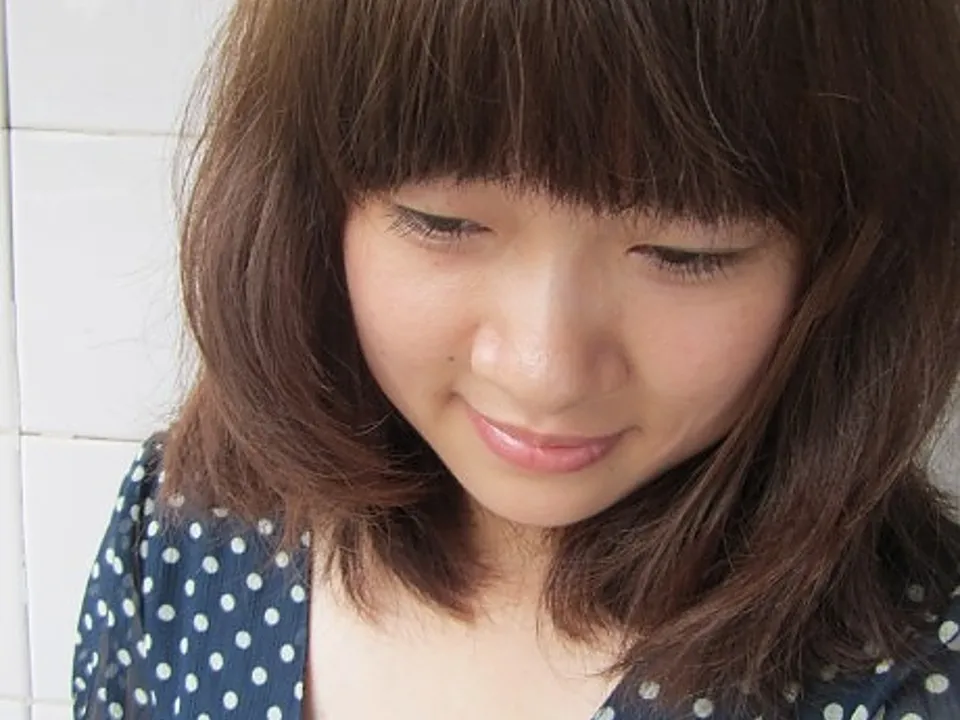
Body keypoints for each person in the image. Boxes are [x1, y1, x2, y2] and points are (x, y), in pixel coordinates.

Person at [72, 0, 960, 718]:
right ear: (308, 205)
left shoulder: (914, 678)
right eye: (444, 222)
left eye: (687, 253)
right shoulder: (185, 532)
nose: (543, 371)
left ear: (851, 264)